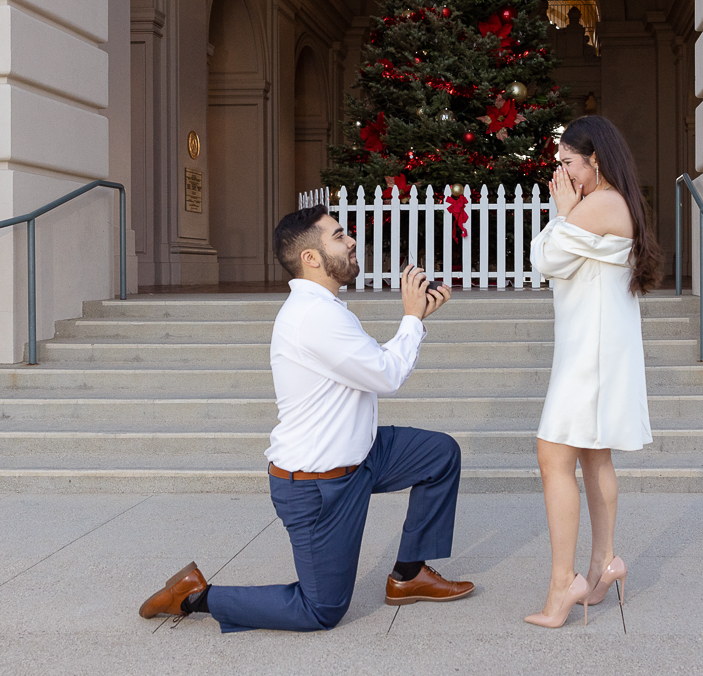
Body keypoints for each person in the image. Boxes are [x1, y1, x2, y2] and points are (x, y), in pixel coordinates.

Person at [138, 204, 475, 632]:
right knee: (321, 611)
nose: (352, 240)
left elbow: (373, 366)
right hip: (319, 485)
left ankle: (408, 577)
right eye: (339, 236)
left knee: (438, 453)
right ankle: (195, 597)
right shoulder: (314, 316)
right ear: (310, 258)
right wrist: (410, 318)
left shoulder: (326, 308)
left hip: (363, 453)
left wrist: (415, 321)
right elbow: (386, 375)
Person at [525, 115, 663, 628]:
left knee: (552, 455)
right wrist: (565, 216)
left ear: (595, 159)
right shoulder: (605, 204)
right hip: (596, 349)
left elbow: (544, 256)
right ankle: (604, 564)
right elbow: (558, 259)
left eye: (567, 163)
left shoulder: (601, 204)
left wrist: (562, 215)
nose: (560, 174)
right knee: (591, 455)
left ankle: (564, 588)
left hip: (592, 355)